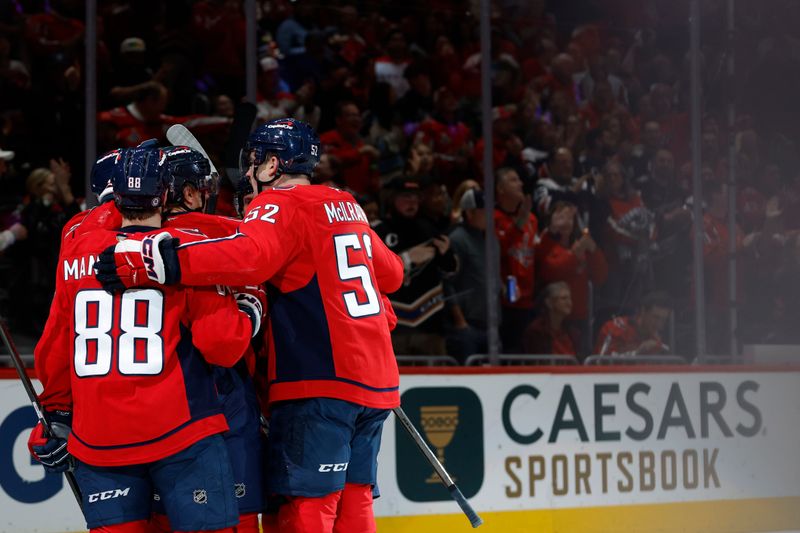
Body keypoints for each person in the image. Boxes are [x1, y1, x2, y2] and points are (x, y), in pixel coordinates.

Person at [94, 118, 405, 533]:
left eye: (256, 161)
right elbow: (393, 275)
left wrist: (163, 263)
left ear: (274, 165)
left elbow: (251, 257)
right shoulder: (345, 201)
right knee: (356, 495)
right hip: (376, 378)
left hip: (317, 378)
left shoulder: (278, 204)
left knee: (311, 502)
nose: (252, 172)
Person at [29, 146, 261, 533]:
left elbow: (54, 347)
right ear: (169, 194)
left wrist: (57, 414)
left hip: (99, 440)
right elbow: (223, 344)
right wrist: (249, 308)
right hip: (180, 432)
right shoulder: (181, 249)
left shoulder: (75, 248)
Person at [158, 145, 265, 533]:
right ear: (188, 194)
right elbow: (223, 344)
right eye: (203, 189)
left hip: (147, 402)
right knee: (232, 521)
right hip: (213, 395)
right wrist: (253, 305)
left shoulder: (116, 240)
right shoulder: (216, 237)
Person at [374, 176, 457, 356]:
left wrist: (446, 255)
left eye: (415, 197)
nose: (411, 202)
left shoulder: (430, 228)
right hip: (393, 324)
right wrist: (406, 259)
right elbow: (370, 271)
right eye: (405, 197)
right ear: (392, 199)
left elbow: (451, 271)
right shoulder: (378, 231)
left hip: (429, 322)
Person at [444, 188, 498, 361]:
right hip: (468, 324)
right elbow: (448, 282)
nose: (490, 215)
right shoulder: (458, 239)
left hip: (491, 324)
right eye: (484, 211)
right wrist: (460, 322)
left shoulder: (491, 240)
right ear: (470, 212)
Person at [495, 167, 538, 353]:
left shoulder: (532, 219)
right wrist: (519, 222)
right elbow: (499, 252)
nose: (520, 184)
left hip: (529, 299)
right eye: (513, 180)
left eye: (519, 180)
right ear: (500, 189)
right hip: (505, 301)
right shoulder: (493, 218)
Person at [594, 291, 672, 356]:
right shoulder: (615, 328)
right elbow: (602, 361)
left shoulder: (655, 339)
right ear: (643, 311)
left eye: (663, 320)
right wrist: (638, 352)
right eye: (655, 318)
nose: (659, 325)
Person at [523, 281, 578, 357]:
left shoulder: (573, 332)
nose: (569, 302)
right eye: (564, 298)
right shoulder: (536, 331)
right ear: (549, 303)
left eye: (569, 298)